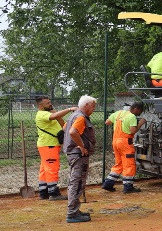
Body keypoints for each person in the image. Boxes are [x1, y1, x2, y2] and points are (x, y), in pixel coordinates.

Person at [34, 96, 77, 201]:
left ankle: (43, 192)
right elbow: (54, 116)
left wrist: (57, 115)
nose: (50, 104)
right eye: (47, 103)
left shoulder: (49, 114)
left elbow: (63, 125)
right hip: (48, 145)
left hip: (50, 145)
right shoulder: (42, 114)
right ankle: (54, 193)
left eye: (50, 102)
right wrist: (69, 109)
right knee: (52, 168)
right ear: (40, 105)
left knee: (45, 169)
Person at [62, 95, 97, 223]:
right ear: (86, 105)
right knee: (77, 183)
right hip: (78, 155)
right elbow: (72, 132)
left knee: (75, 182)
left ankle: (75, 210)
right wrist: (81, 146)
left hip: (72, 153)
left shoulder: (73, 116)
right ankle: (72, 213)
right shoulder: (81, 117)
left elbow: (65, 128)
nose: (94, 108)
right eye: (93, 106)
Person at [102, 101, 146, 193]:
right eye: (140, 111)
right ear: (136, 109)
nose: (139, 114)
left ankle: (108, 183)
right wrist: (140, 123)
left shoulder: (118, 113)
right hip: (125, 143)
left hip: (115, 142)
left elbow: (107, 122)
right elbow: (132, 131)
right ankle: (128, 187)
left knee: (119, 163)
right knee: (129, 164)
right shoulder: (132, 116)